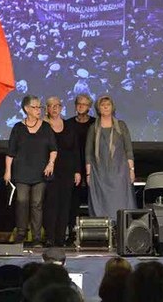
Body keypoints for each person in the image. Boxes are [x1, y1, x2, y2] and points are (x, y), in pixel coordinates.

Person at [5, 95, 57, 247]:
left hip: (40, 173)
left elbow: (53, 149)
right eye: (35, 107)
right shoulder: (18, 128)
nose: (38, 110)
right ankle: (21, 234)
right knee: (21, 202)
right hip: (21, 172)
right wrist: (7, 171)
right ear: (26, 109)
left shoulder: (46, 127)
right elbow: (11, 152)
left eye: (39, 107)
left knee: (37, 204)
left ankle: (36, 237)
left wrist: (51, 163)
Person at [85, 95, 135, 220]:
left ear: (112, 107)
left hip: (120, 173)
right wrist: (88, 174)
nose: (105, 107)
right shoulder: (93, 128)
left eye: (108, 104)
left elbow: (128, 150)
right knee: (101, 204)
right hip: (99, 174)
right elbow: (88, 153)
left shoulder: (121, 125)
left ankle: (121, 230)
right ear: (98, 108)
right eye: (102, 105)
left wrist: (131, 170)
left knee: (120, 202)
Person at [42, 96, 80, 247]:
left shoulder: (69, 125)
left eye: (57, 105)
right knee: (51, 204)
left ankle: (60, 238)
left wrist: (77, 171)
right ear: (47, 109)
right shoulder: (43, 126)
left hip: (67, 170)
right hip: (49, 170)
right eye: (51, 106)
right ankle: (50, 237)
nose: (55, 108)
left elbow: (75, 150)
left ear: (61, 107)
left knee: (65, 205)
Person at [64, 93, 95, 244]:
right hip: (72, 166)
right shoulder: (68, 124)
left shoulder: (95, 123)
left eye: (84, 104)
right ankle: (72, 233)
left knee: (94, 200)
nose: (81, 106)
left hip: (93, 166)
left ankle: (95, 234)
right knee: (72, 202)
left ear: (89, 107)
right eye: (78, 103)